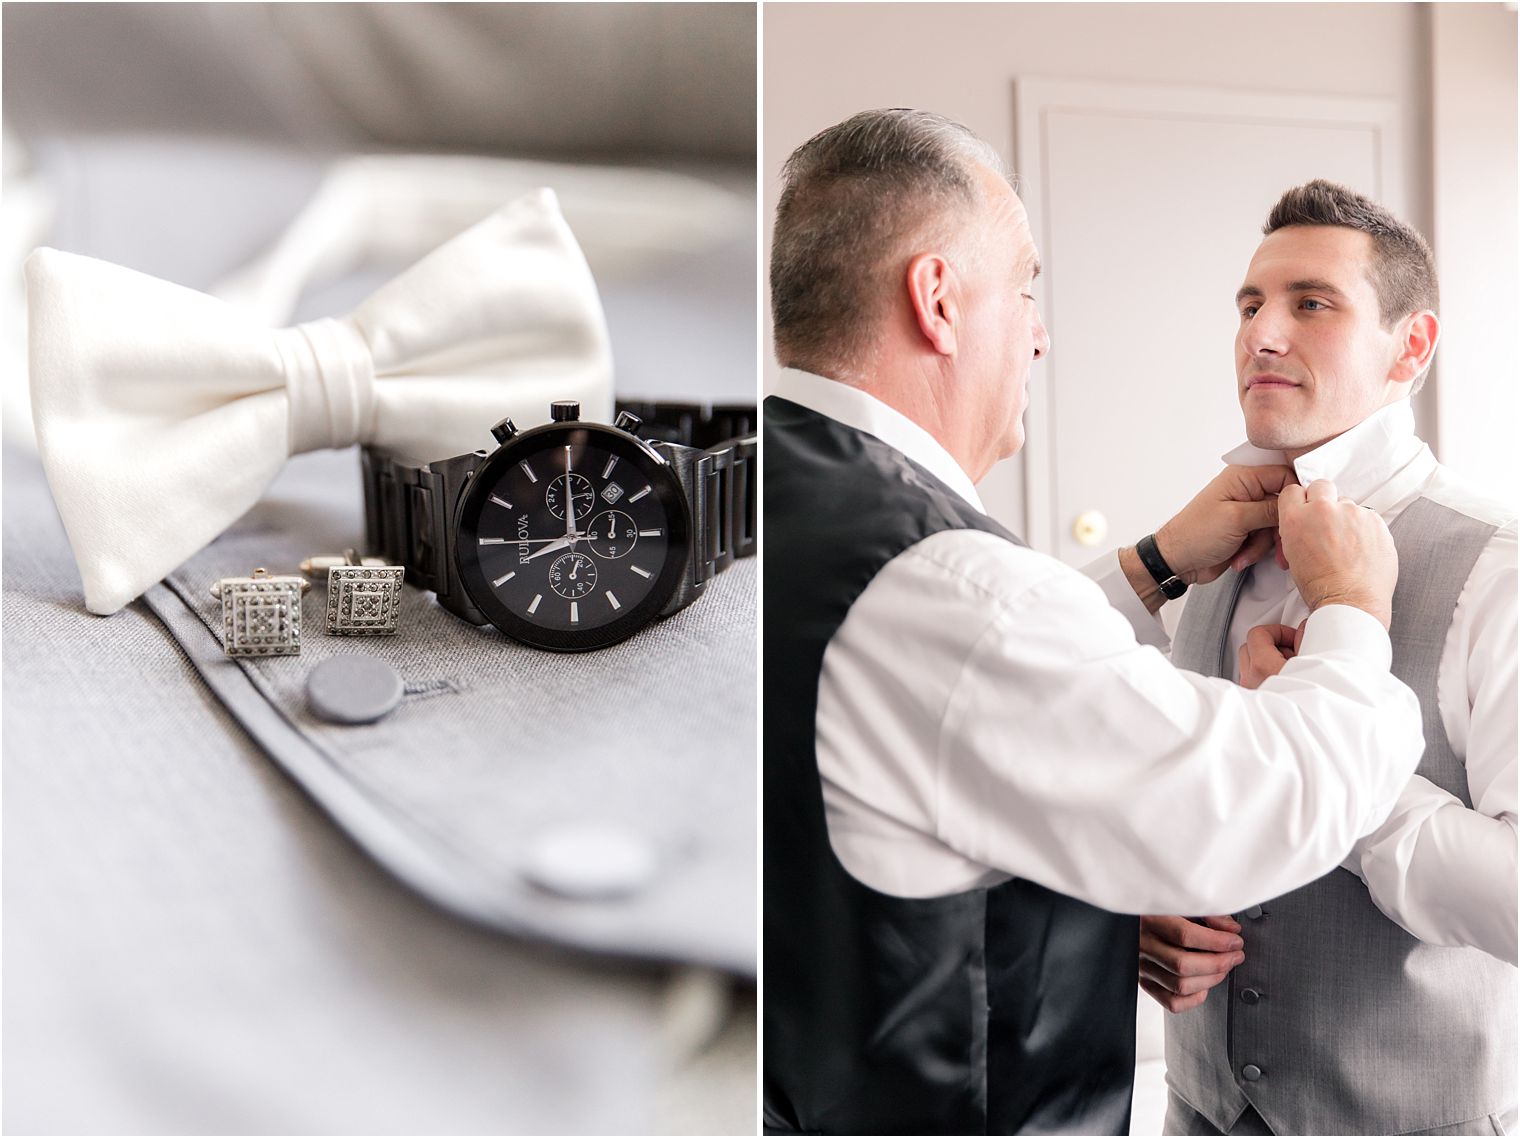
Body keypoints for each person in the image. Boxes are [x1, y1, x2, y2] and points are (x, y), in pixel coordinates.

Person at [763, 109, 1426, 1136]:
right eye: (1024, 287)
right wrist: (1349, 609)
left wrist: (1149, 566)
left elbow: (922, 759)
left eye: (1308, 301)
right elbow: (1266, 796)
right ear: (936, 301)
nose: (1035, 330)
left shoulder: (763, 493)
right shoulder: (947, 590)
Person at [1140, 181, 1517, 1137]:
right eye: (1251, 304)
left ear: (1412, 347)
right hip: (1199, 1111)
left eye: (1312, 303)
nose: (1262, 334)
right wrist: (1136, 911)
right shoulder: (1201, 548)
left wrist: (1326, 748)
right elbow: (1132, 777)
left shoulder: (1498, 569)